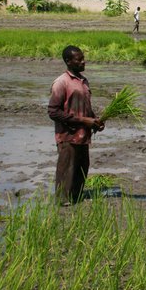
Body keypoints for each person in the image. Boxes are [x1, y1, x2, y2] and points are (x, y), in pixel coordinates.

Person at [48, 45, 105, 205]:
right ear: (68, 61)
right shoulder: (62, 82)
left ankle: (76, 198)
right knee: (67, 168)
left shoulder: (83, 81)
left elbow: (84, 107)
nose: (83, 62)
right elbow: (53, 112)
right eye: (79, 59)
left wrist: (94, 121)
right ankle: (62, 201)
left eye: (83, 58)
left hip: (82, 135)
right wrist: (83, 121)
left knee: (81, 167)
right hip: (68, 135)